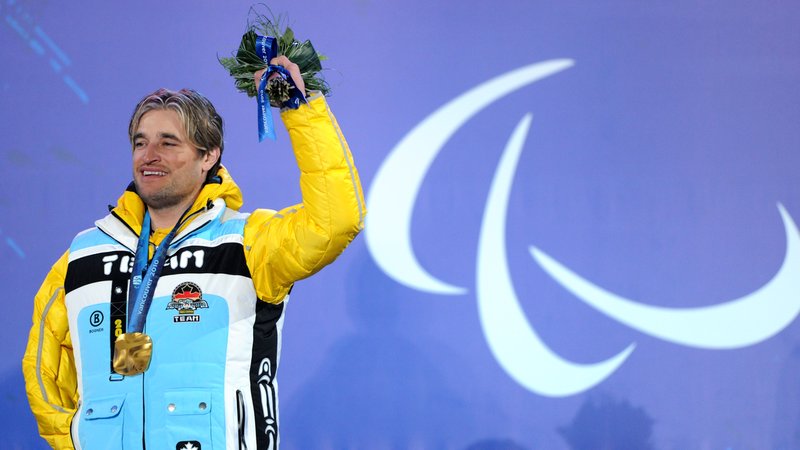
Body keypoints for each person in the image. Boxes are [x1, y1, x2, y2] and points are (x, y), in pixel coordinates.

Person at [21, 56, 365, 449]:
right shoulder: (82, 255)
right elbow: (42, 368)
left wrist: (299, 113)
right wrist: (75, 439)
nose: (149, 155)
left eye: (169, 143)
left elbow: (336, 221)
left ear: (209, 156)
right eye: (140, 142)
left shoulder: (249, 243)